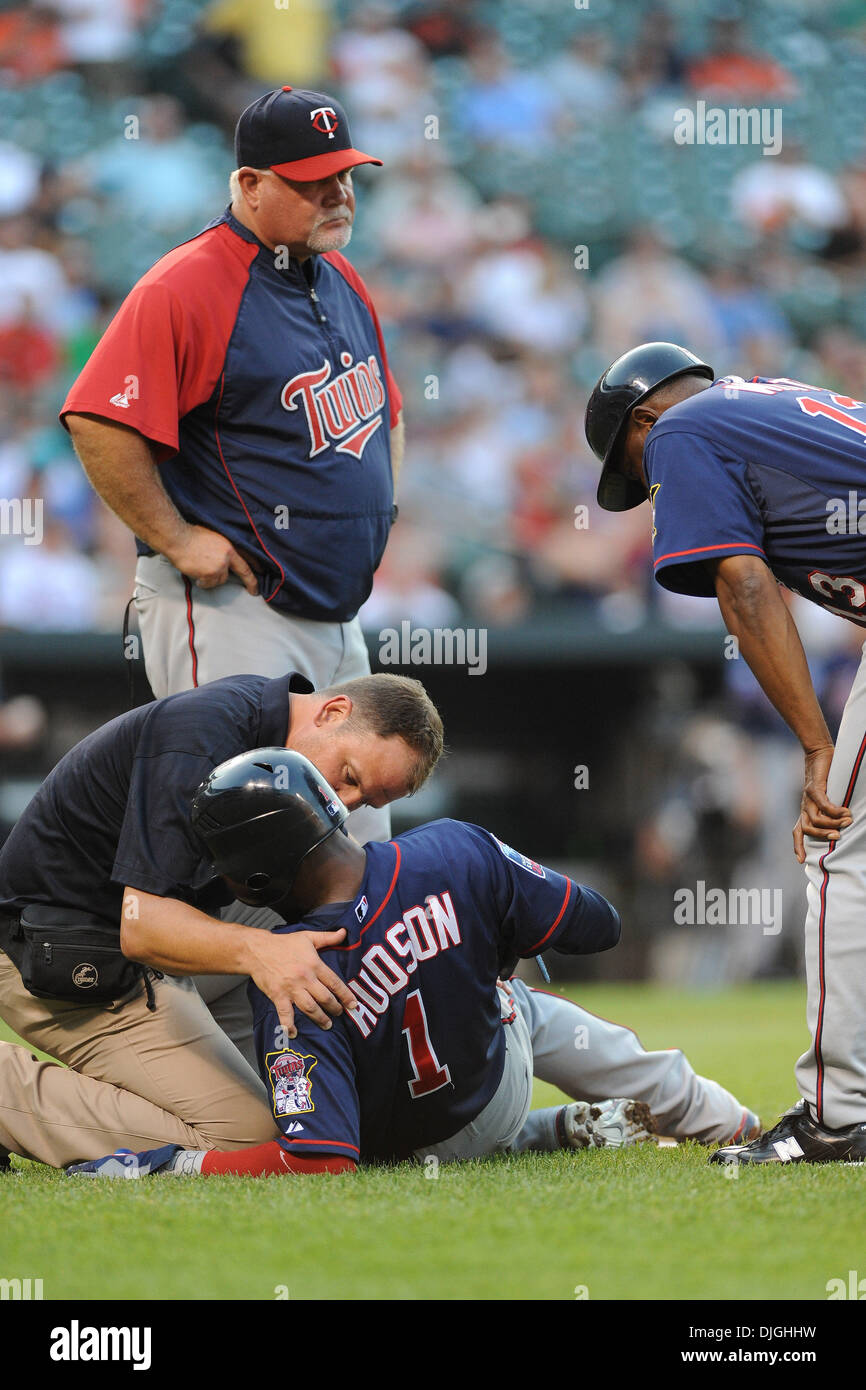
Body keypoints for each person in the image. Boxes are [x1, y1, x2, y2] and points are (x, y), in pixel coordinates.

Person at [65, 752, 756, 1180]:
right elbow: (598, 924)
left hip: (420, 1153)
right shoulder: (455, 849)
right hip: (496, 1083)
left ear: (252, 881)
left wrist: (180, 1165)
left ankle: (541, 1135)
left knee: (385, 1084)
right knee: (524, 1006)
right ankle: (728, 1123)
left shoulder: (283, 975)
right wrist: (494, 943)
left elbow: (324, 1159)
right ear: (330, 808)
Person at [59, 84, 404, 846]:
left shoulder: (342, 279)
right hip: (235, 614)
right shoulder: (186, 284)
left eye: (345, 174)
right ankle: (178, 967)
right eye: (314, 178)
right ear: (249, 184)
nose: (339, 193)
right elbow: (96, 417)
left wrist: (381, 511)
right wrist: (177, 537)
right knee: (248, 834)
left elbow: (388, 415)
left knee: (358, 847)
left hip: (336, 613)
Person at [585, 340, 866, 1164]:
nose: (648, 489)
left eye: (633, 468)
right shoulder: (770, 408)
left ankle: (838, 1117)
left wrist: (816, 747)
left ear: (643, 419)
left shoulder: (680, 428)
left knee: (836, 846)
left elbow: (742, 586)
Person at [0, 672, 442, 1172]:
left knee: (302, 1112)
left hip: (142, 936)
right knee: (247, 1138)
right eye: (350, 776)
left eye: (365, 800)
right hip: (60, 952)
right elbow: (143, 924)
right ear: (333, 711)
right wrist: (263, 952)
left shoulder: (272, 743)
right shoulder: (204, 731)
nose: (343, 801)